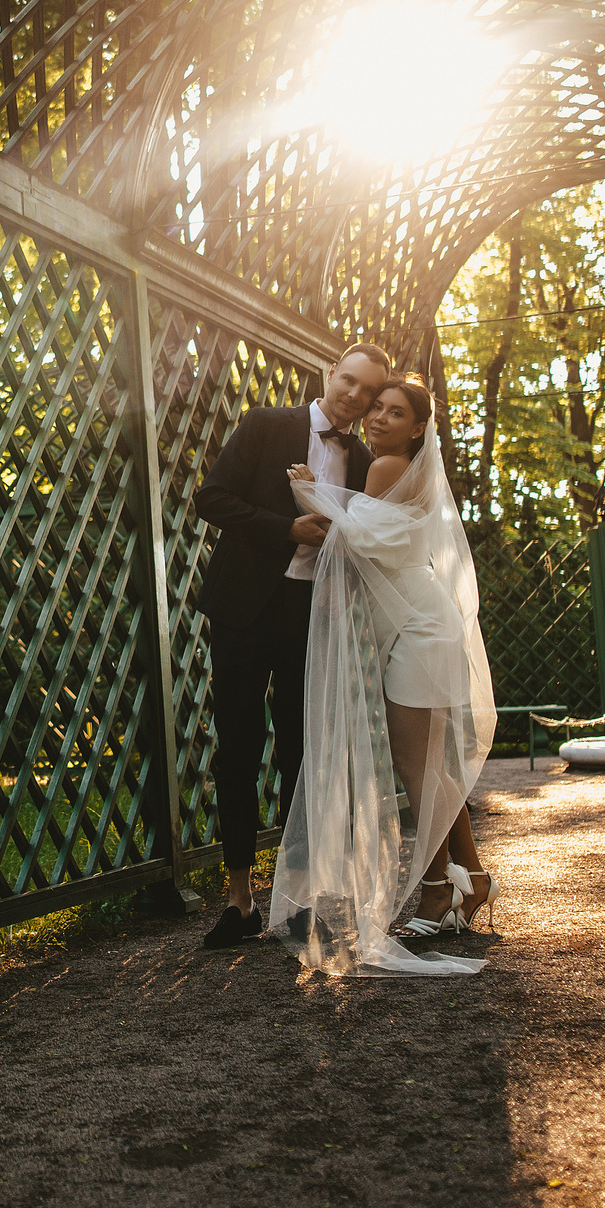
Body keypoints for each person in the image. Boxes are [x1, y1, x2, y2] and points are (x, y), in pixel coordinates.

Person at [265, 377, 499, 976]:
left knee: (415, 765)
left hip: (419, 630)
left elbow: (359, 542)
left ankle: (437, 891)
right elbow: (368, 530)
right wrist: (321, 495)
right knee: (432, 765)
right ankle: (472, 878)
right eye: (376, 408)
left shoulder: (388, 467)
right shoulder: (407, 470)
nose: (378, 418)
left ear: (418, 428)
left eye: (395, 413)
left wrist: (310, 495)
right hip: (423, 624)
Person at [191, 342, 390, 949]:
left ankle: (298, 898)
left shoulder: (366, 462)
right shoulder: (266, 424)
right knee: (238, 747)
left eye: (368, 391)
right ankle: (239, 900)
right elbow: (211, 499)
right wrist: (287, 529)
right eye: (348, 380)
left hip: (312, 614)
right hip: (243, 609)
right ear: (331, 373)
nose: (354, 395)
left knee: (303, 754)